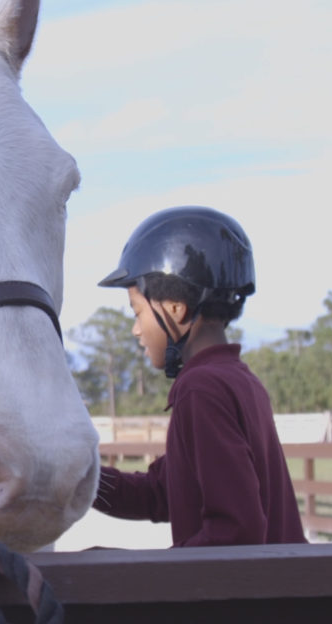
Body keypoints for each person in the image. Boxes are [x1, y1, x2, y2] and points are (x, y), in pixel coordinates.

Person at [92, 205, 306, 547]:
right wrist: (77, 481)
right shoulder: (237, 379)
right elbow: (162, 492)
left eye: (137, 312)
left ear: (176, 307)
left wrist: (136, 573)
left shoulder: (201, 390)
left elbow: (235, 532)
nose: (135, 329)